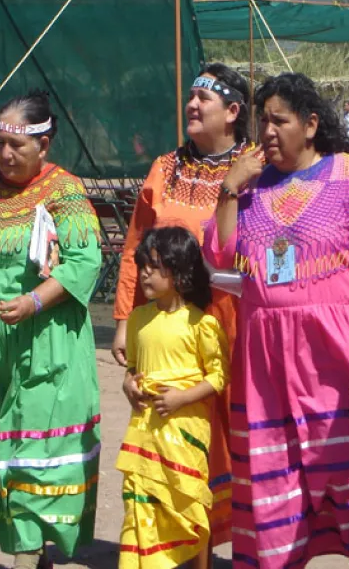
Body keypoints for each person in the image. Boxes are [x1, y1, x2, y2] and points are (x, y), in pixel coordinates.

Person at [205, 72, 349, 569]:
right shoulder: (250, 186)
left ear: (311, 124)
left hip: (338, 355)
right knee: (276, 470)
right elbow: (221, 255)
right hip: (266, 361)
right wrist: (229, 190)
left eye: (280, 121)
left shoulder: (348, 176)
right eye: (263, 123)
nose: (268, 132)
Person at [0, 90, 102, 569]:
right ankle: (27, 552)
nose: (6, 155)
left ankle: (27, 557)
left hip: (45, 342)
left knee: (34, 446)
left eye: (17, 146)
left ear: (44, 145)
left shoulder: (64, 193)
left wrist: (32, 302)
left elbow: (84, 262)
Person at [112, 62, 263, 549]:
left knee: (240, 429)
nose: (192, 106)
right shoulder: (164, 168)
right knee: (177, 427)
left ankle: (251, 543)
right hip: (171, 326)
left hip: (236, 323)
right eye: (191, 97)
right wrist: (124, 322)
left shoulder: (259, 168)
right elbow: (138, 246)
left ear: (234, 111)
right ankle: (184, 542)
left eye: (205, 100)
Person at [116, 226, 230, 569]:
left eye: (154, 265)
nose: (145, 273)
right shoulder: (138, 319)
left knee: (188, 501)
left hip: (185, 434)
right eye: (142, 266)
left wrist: (182, 398)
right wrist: (128, 385)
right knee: (142, 500)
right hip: (145, 432)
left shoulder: (201, 324)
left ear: (180, 271)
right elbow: (132, 368)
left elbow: (218, 376)